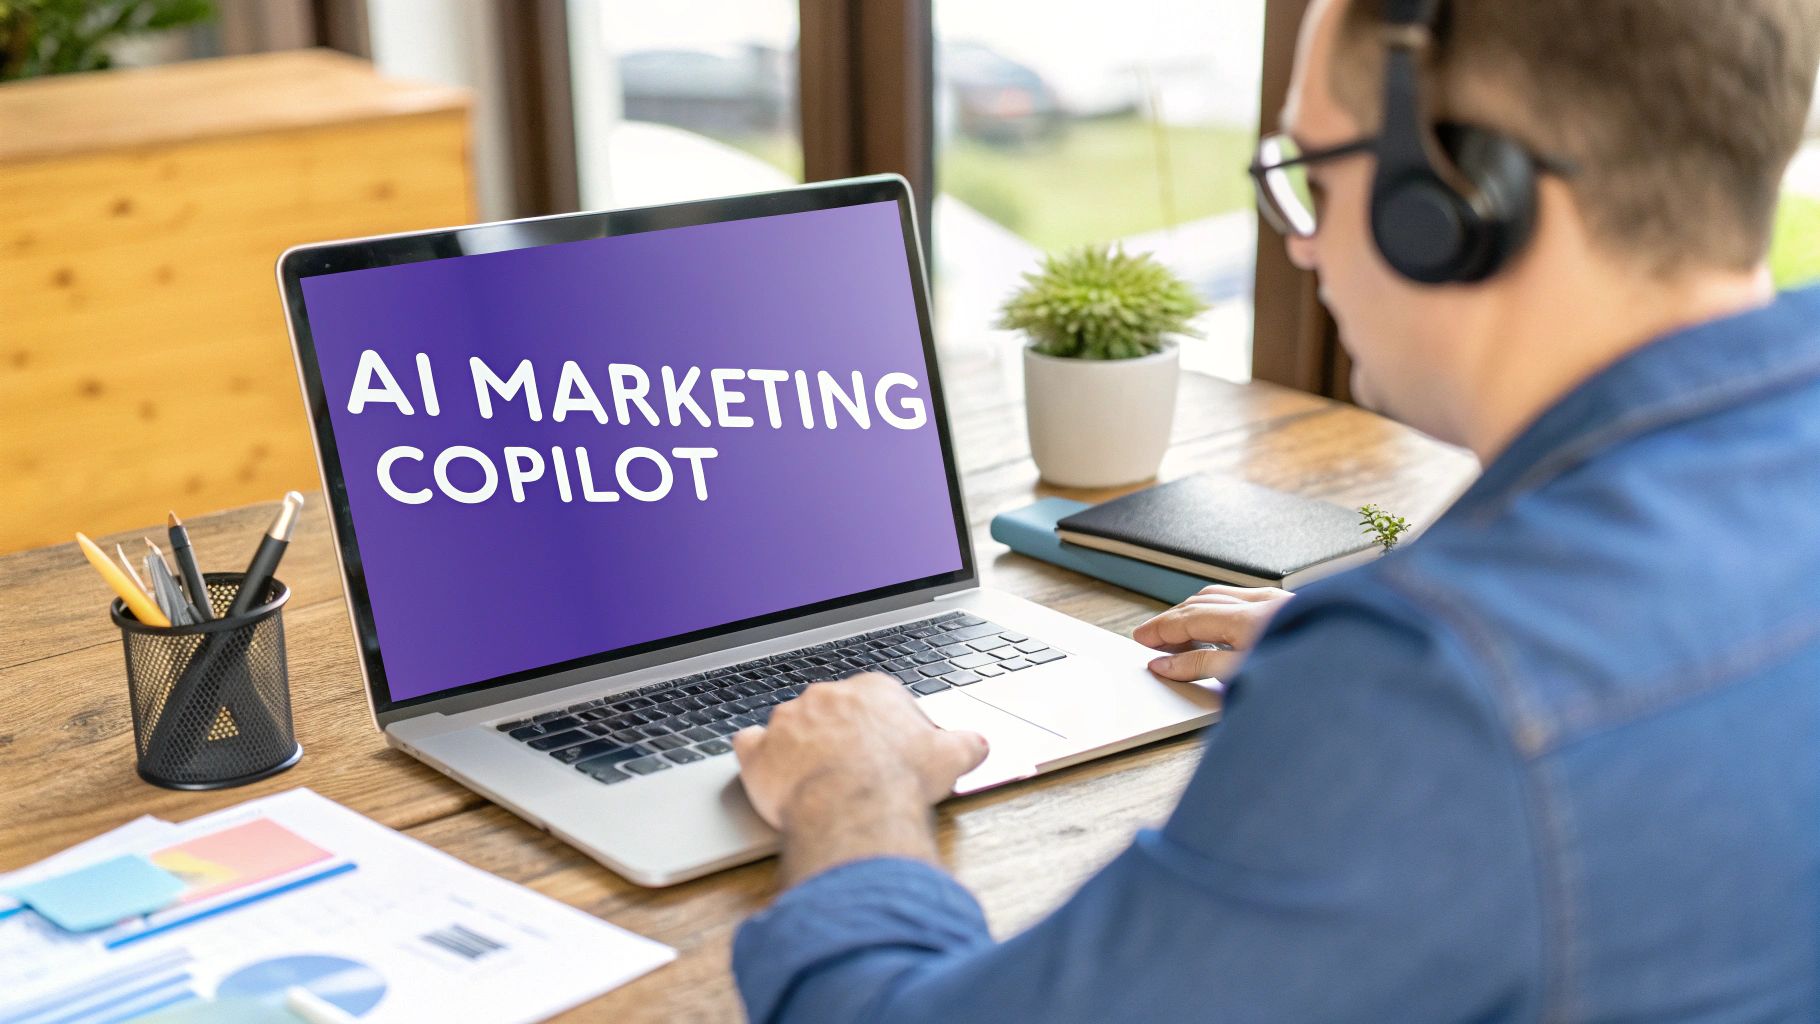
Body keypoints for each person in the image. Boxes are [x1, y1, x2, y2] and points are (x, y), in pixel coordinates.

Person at [729, 0, 1820, 1019]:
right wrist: (1362, 665)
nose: (1301, 241)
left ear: (1446, 203)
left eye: (1316, 177)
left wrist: (849, 789)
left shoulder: (1434, 690)